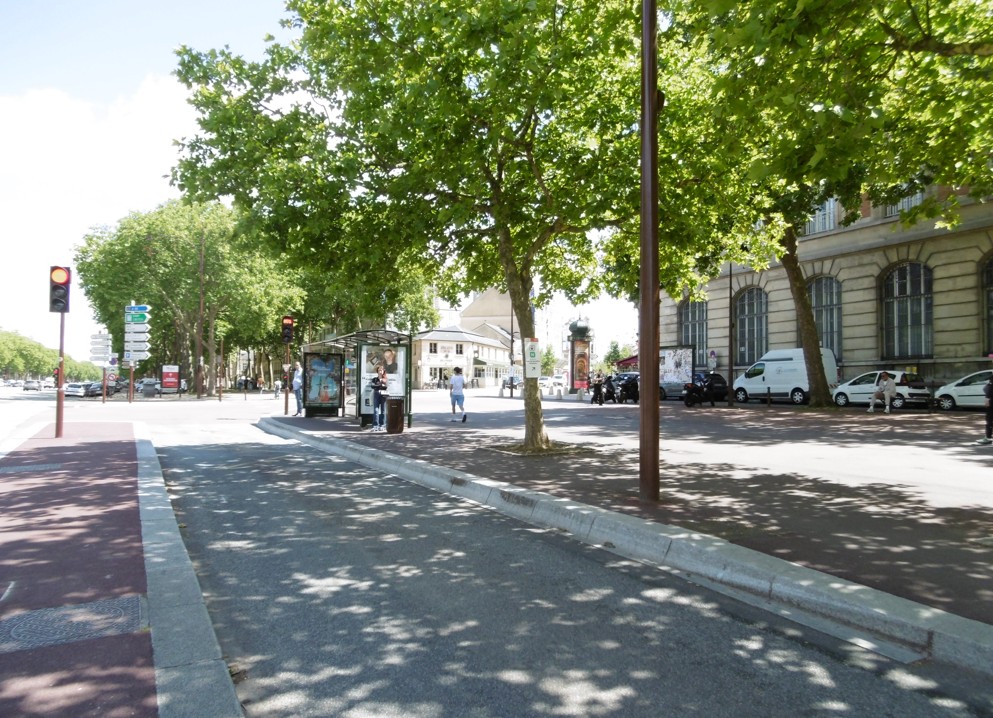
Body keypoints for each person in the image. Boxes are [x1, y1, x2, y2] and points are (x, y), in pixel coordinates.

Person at [370, 365, 389, 432]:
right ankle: (375, 425)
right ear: (377, 372)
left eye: (381, 370)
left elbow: (386, 386)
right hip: (376, 395)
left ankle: (382, 425)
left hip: (383, 396)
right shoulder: (374, 379)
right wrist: (380, 384)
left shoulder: (386, 379)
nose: (380, 372)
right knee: (376, 410)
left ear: (383, 371)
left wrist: (379, 383)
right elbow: (372, 386)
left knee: (383, 411)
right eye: (379, 370)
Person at [978, 375, 993, 445]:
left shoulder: (990, 384)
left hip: (991, 404)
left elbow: (986, 390)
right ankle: (988, 437)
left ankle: (988, 437)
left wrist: (987, 400)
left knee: (989, 420)